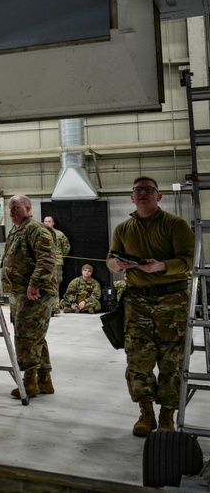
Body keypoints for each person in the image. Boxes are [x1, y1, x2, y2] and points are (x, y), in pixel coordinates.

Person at [106, 176, 195, 436]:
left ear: (159, 196)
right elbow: (110, 259)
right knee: (138, 359)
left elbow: (188, 260)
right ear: (132, 197)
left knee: (172, 360)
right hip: (137, 301)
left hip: (172, 300)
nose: (143, 193)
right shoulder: (123, 228)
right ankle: (146, 413)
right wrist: (117, 265)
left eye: (149, 189)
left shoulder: (175, 225)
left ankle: (167, 414)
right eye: (138, 190)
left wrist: (161, 266)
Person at [2, 195, 58, 398]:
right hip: (19, 293)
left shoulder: (36, 229)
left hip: (36, 294)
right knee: (36, 336)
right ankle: (45, 381)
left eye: (15, 208)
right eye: (10, 209)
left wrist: (35, 284)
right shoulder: (17, 230)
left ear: (27, 208)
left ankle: (30, 382)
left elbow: (47, 259)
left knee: (26, 337)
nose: (11, 213)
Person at [43, 215, 71, 317]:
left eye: (49, 221)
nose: (47, 223)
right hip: (44, 263)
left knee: (55, 284)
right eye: (45, 221)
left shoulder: (59, 234)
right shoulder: (40, 234)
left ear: (53, 223)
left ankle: (55, 307)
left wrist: (60, 257)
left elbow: (66, 247)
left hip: (56, 263)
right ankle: (47, 307)